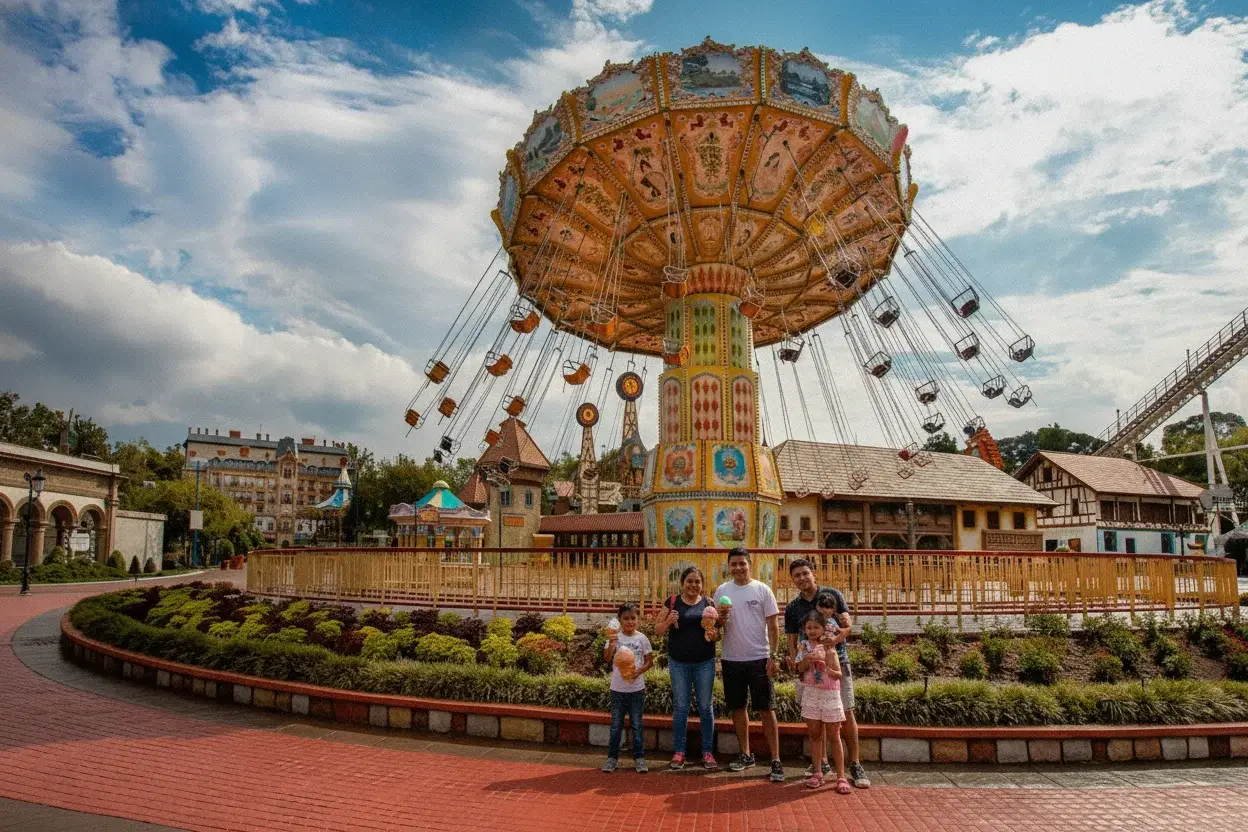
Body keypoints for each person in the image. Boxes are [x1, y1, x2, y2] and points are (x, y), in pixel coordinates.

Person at [784, 557, 870, 788]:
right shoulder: (793, 608)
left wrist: (833, 641)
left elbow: (847, 625)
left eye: (805, 573)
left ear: (813, 573)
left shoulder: (832, 595)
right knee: (814, 717)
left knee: (847, 712)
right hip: (809, 668)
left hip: (837, 662)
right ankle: (821, 764)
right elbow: (792, 639)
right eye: (796, 575)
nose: (801, 578)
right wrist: (795, 661)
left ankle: (855, 763)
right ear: (792, 580)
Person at [715, 547, 785, 782]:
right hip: (731, 657)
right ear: (729, 566)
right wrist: (718, 622)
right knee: (738, 708)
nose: (738, 568)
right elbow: (715, 626)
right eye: (733, 564)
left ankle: (775, 759)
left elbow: (774, 626)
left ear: (749, 564)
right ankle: (745, 754)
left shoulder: (762, 589)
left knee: (766, 708)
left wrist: (773, 655)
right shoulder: (722, 591)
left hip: (759, 657)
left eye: (742, 563)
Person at [655, 566, 719, 770]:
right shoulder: (672, 602)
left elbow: (717, 634)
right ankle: (679, 751)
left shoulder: (709, 603)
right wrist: (668, 621)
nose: (693, 585)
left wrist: (712, 633)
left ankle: (707, 752)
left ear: (702, 584)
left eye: (697, 582)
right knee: (681, 708)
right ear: (682, 583)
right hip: (679, 662)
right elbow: (657, 630)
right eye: (689, 581)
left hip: (704, 662)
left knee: (705, 708)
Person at [795, 611, 850, 792]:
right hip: (811, 693)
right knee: (815, 735)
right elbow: (799, 669)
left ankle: (841, 776)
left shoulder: (829, 645)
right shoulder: (803, 646)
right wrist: (807, 659)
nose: (812, 631)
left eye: (816, 627)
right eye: (809, 628)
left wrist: (825, 665)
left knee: (834, 735)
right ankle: (817, 772)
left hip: (829, 694)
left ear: (822, 628)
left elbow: (838, 674)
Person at [601, 602, 654, 773]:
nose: (630, 622)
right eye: (626, 618)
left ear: (637, 619)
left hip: (637, 689)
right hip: (617, 689)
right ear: (619, 620)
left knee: (637, 724)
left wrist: (639, 671)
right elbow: (607, 659)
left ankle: (639, 758)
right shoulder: (615, 637)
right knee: (616, 724)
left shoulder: (642, 638)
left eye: (633, 618)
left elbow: (649, 661)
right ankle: (612, 758)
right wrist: (611, 644)